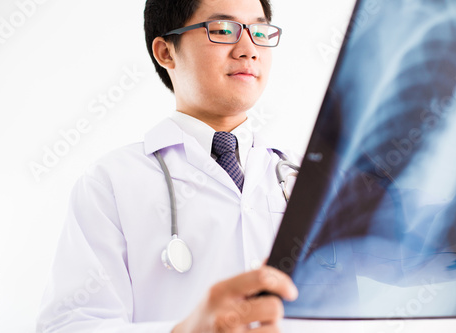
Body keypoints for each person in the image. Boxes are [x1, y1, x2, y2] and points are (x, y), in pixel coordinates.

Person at [36, 0, 299, 332]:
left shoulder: (306, 177)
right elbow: (69, 325)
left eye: (259, 31)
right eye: (222, 30)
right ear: (166, 52)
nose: (248, 49)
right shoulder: (111, 182)